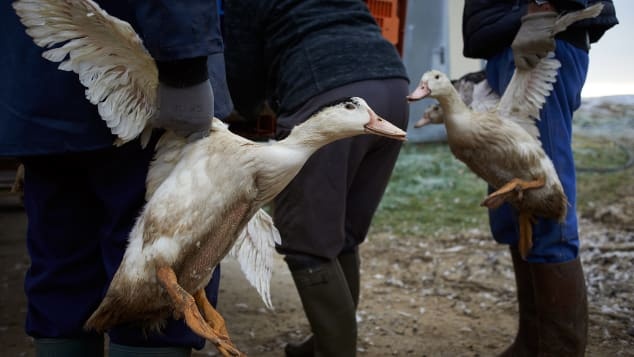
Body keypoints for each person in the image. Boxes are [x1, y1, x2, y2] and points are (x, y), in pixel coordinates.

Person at [0, 1, 233, 356]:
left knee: (62, 275)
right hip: (146, 89)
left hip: (36, 89)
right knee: (159, 279)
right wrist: (185, 67)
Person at [222, 1, 409, 355]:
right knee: (341, 235)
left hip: (329, 95)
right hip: (391, 86)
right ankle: (327, 341)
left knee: (307, 241)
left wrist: (245, 108)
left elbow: (242, 73)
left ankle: (335, 349)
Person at [462, 0, 618, 355]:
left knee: (544, 199)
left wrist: (541, 7)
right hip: (506, 39)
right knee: (514, 201)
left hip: (541, 34)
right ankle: (532, 343)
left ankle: (560, 348)